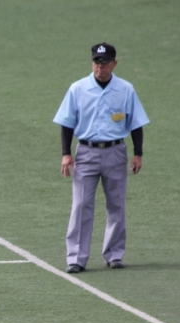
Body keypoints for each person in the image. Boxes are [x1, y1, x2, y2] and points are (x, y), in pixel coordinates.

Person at [53, 42, 149, 274]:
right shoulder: (78, 89)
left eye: (105, 63)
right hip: (86, 152)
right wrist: (66, 153)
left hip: (115, 152)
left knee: (116, 204)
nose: (100, 66)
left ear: (114, 64)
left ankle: (114, 254)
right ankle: (76, 258)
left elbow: (136, 123)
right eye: (96, 62)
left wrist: (138, 153)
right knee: (81, 205)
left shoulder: (125, 89)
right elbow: (67, 122)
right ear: (92, 63)